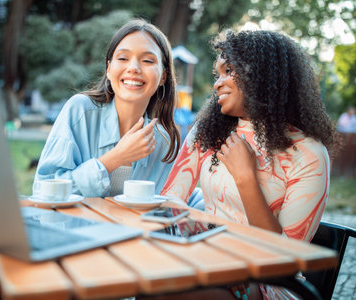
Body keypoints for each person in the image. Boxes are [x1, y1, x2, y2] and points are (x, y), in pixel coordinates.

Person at [161, 29, 341, 299]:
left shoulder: (309, 154)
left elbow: (284, 257)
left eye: (228, 71)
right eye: (217, 74)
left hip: (272, 282)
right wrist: (185, 239)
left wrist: (246, 178)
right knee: (153, 279)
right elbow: (170, 199)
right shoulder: (207, 131)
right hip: (209, 258)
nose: (217, 83)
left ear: (263, 75)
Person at [33, 19, 181, 198]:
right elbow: (43, 191)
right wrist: (116, 157)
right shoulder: (79, 111)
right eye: (123, 58)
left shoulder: (163, 143)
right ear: (109, 68)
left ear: (163, 76)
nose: (133, 68)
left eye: (148, 60)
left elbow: (169, 203)